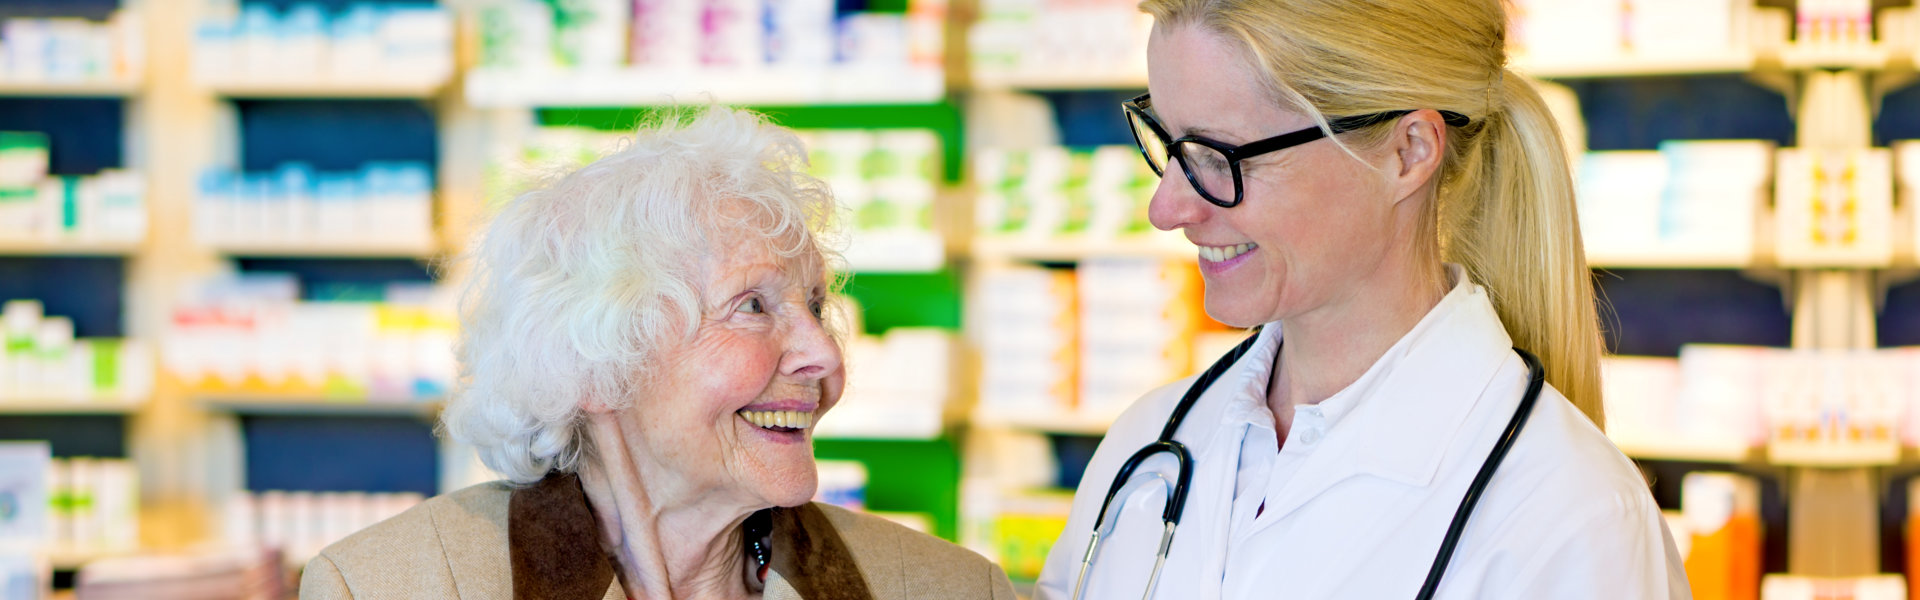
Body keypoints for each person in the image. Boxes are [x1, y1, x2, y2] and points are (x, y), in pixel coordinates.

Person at [1035, 0, 1689, 598]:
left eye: (1218, 156)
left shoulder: (1573, 518)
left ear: (1408, 152)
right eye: (1167, 143)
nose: (1167, 208)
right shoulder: (1147, 447)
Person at [299, 107, 1015, 599]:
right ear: (597, 361)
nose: (824, 355)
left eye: (818, 307)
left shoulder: (946, 586)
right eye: (753, 307)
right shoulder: (387, 584)